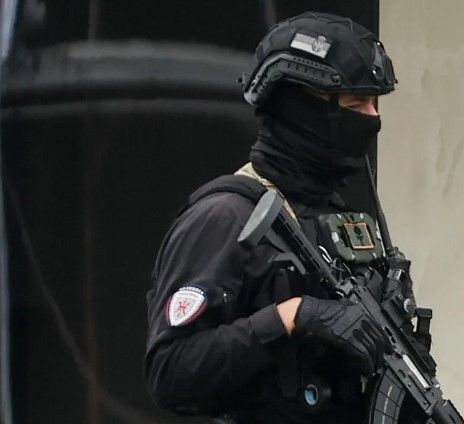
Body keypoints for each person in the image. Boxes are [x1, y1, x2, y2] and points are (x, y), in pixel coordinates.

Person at [144, 11, 427, 424]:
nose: (372, 119)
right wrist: (293, 316)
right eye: (355, 104)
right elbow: (170, 372)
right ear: (302, 109)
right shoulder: (224, 218)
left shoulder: (340, 220)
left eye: (374, 103)